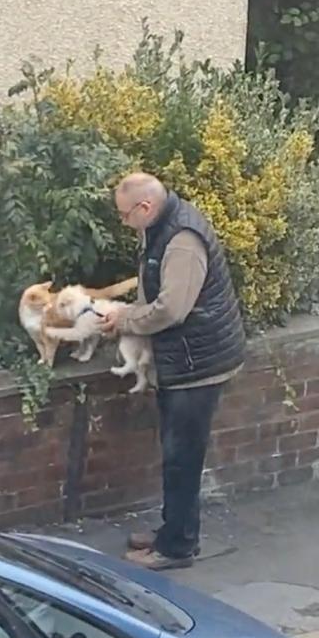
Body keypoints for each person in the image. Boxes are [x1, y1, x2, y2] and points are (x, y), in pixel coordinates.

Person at [101, 172, 246, 570]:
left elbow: (171, 309)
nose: (124, 222)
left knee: (182, 458)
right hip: (186, 359)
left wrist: (127, 319)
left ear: (145, 207)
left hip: (198, 364)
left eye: (125, 215)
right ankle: (172, 530)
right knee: (176, 454)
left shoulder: (182, 240)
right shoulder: (162, 225)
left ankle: (178, 546)